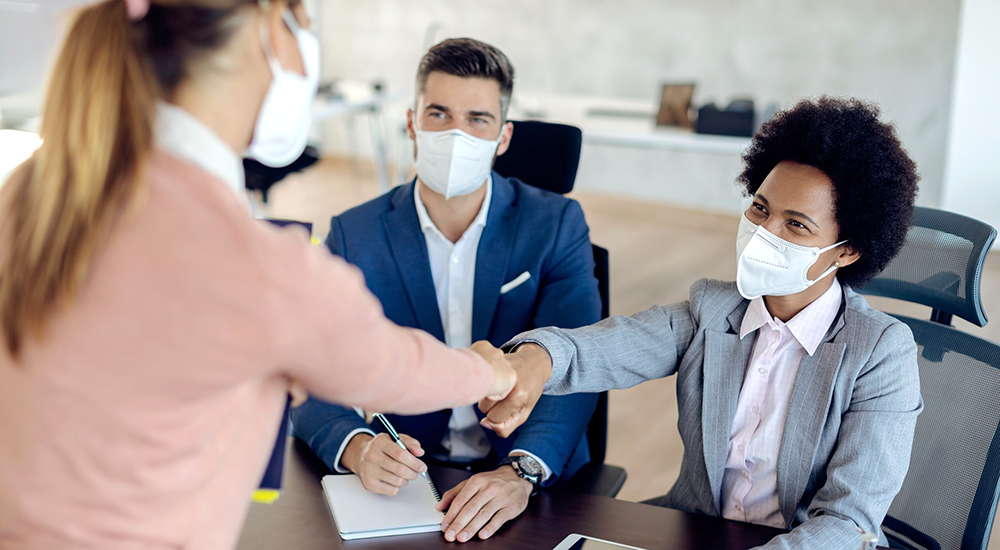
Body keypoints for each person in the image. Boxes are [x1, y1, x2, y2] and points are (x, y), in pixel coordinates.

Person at [0, 2, 515, 549]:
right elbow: (394, 368)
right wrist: (490, 373)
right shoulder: (255, 263)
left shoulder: (29, 192)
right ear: (274, 28)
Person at [479, 97, 923, 550]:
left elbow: (849, 524)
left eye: (796, 225)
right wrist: (535, 360)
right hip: (696, 531)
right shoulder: (711, 308)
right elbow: (609, 347)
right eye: (761, 208)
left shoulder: (881, 352)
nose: (767, 232)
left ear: (847, 251)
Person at [291, 38, 601, 543]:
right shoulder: (354, 233)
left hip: (528, 477)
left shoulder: (557, 224)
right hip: (407, 477)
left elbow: (579, 362)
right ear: (412, 123)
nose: (456, 134)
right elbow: (308, 369)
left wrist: (521, 472)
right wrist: (357, 446)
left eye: (478, 118)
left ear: (503, 137)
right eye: (438, 114)